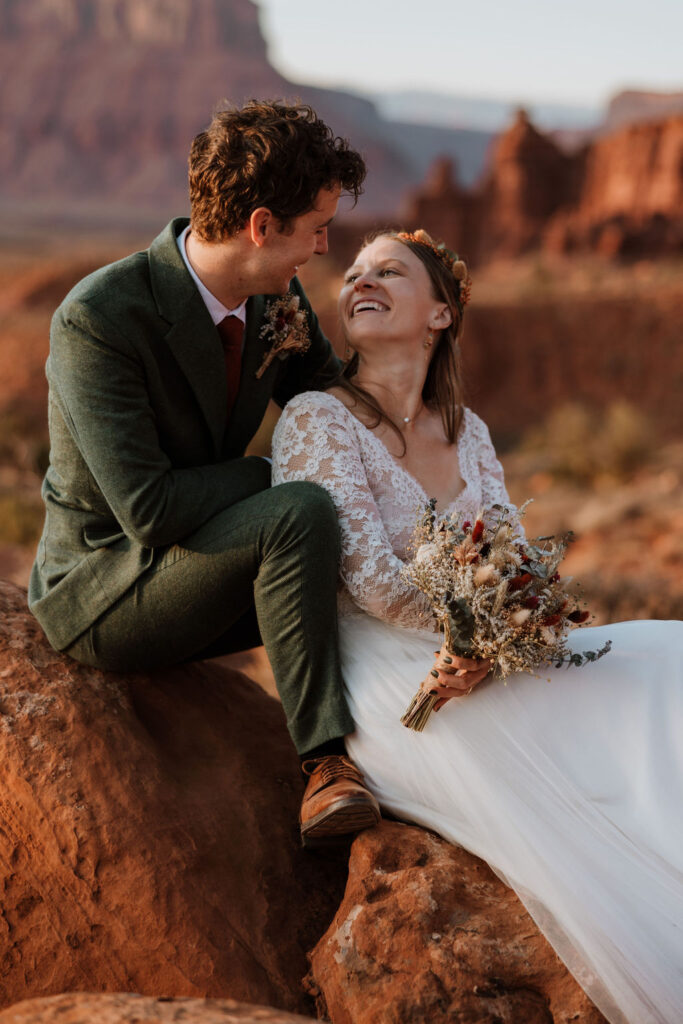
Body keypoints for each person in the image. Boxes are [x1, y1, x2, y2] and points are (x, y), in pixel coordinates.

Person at [271, 228, 683, 1023]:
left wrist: (497, 648)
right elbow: (375, 586)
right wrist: (475, 641)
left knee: (668, 660)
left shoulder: (470, 431)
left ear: (438, 314)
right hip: (388, 674)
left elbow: (516, 565)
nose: (360, 279)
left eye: (388, 271)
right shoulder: (315, 419)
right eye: (352, 271)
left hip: (478, 657)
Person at [28, 100, 382, 846]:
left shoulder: (274, 300)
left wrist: (414, 378)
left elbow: (330, 400)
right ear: (261, 226)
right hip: (109, 585)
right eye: (314, 227)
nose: (322, 246)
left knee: (369, 558)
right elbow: (148, 510)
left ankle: (415, 749)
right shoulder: (100, 318)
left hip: (212, 560)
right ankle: (325, 767)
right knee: (301, 512)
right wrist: (275, 477)